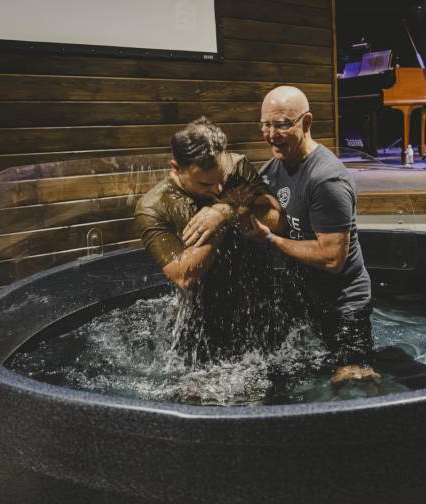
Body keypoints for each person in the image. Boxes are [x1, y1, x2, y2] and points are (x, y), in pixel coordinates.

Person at [246, 85, 381, 388]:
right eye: (265, 125)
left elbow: (331, 258)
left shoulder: (326, 179)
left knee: (352, 382)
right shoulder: (272, 170)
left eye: (281, 124)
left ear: (306, 123)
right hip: (303, 295)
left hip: (345, 304)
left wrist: (271, 240)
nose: (271, 134)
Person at [135, 117, 285, 362]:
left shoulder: (237, 167)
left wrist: (225, 211)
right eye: (205, 183)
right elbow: (184, 275)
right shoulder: (154, 207)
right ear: (175, 167)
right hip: (205, 323)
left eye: (222, 179)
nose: (217, 189)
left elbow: (278, 220)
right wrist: (221, 224)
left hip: (261, 308)